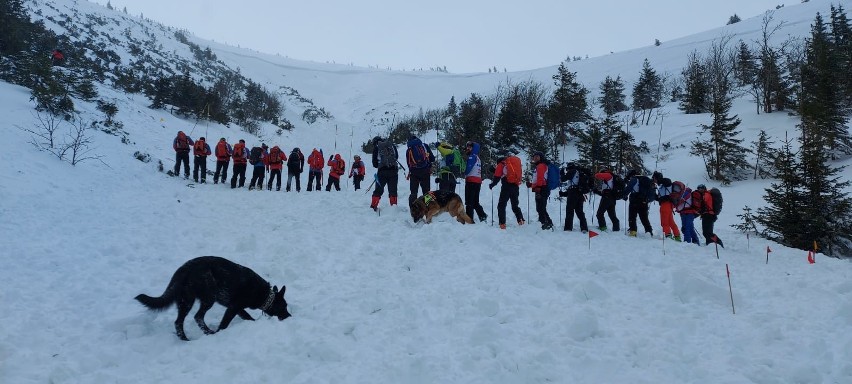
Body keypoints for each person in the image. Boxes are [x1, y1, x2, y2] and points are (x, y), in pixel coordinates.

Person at [489, 155, 525, 229]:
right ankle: (520, 220)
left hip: (506, 187)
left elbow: (497, 177)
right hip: (515, 186)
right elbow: (502, 173)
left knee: (501, 205)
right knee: (515, 205)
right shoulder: (509, 164)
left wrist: (492, 185)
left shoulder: (501, 164)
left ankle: (502, 224)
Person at [622, 169, 654, 237]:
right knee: (644, 217)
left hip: (634, 200)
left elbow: (629, 188)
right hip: (644, 201)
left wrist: (624, 195)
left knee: (632, 216)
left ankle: (633, 231)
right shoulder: (644, 179)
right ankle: (649, 231)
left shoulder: (634, 179)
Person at [370, 136, 400, 211]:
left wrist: (381, 164)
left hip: (382, 172)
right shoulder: (391, 145)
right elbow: (396, 156)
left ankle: (374, 206)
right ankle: (393, 208)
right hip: (393, 171)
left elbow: (375, 164)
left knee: (378, 190)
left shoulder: (376, 148)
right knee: (393, 190)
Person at [559, 163, 589, 233]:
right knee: (579, 212)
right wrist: (563, 194)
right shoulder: (578, 173)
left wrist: (561, 173)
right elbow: (573, 187)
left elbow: (563, 179)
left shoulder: (572, 171)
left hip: (573, 193)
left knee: (570, 210)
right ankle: (584, 228)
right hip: (580, 194)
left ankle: (568, 228)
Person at [405, 136, 436, 205]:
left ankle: (413, 208)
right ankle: (428, 207)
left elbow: (408, 163)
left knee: (413, 192)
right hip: (425, 171)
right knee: (427, 191)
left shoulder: (409, 149)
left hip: (414, 172)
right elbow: (432, 159)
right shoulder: (424, 146)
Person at [527, 152, 554, 230]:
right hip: (541, 188)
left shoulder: (541, 165)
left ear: (541, 157)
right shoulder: (539, 166)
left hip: (542, 188)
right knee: (540, 207)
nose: (535, 158)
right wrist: (531, 185)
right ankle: (547, 222)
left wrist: (538, 188)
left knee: (541, 207)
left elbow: (540, 178)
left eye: (537, 156)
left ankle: (545, 223)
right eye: (534, 156)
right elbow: (538, 179)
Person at [652, 172, 682, 241]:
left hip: (666, 205)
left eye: (654, 178)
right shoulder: (662, 187)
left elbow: (667, 180)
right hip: (667, 205)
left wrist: (657, 180)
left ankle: (668, 237)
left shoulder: (667, 184)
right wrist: (654, 189)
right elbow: (658, 198)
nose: (654, 180)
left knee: (664, 222)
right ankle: (677, 237)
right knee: (671, 222)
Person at [463, 141, 488, 223]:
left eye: (469, 147)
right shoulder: (478, 158)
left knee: (469, 202)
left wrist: (463, 171)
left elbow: (467, 170)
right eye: (467, 147)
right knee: (475, 202)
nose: (467, 148)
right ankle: (483, 216)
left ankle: (469, 219)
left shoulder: (471, 157)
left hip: (471, 181)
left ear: (473, 148)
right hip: (477, 182)